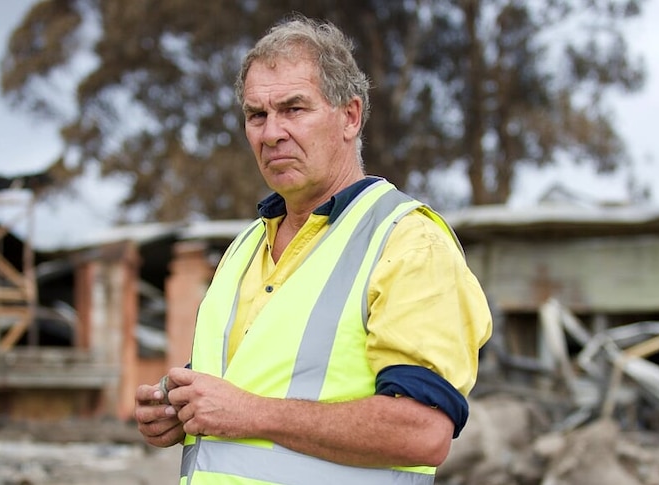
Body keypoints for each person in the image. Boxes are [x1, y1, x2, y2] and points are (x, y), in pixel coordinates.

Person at [134, 14, 492, 485]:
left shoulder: (408, 243)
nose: (271, 133)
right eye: (256, 115)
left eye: (294, 109)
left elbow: (423, 432)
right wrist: (177, 408)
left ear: (350, 116)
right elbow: (255, 381)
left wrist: (251, 414)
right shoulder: (245, 246)